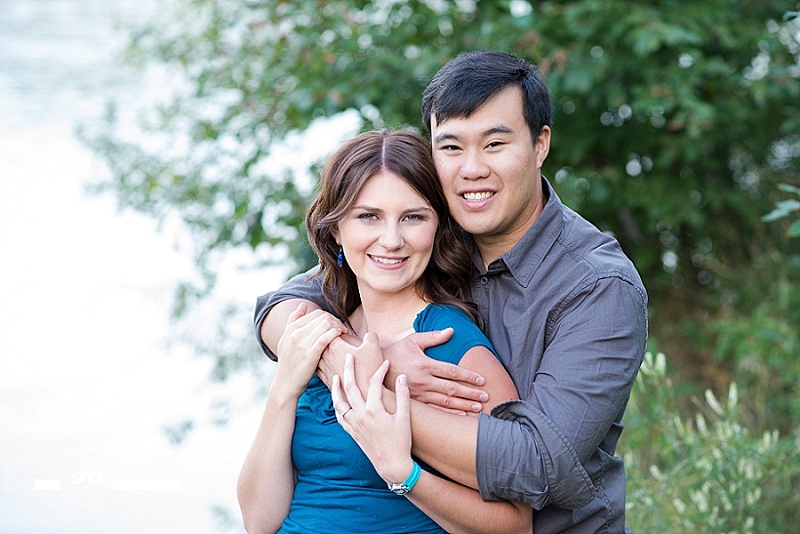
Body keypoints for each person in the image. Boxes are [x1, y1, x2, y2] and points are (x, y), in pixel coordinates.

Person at [254, 50, 648, 533]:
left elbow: (536, 464)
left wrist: (377, 391)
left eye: (495, 144)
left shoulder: (598, 287)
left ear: (540, 144)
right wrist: (350, 358)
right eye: (451, 147)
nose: (472, 169)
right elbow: (280, 305)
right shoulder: (428, 237)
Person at [237, 129, 532, 534]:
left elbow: (516, 525)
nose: (391, 240)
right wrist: (283, 390)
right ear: (336, 229)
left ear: (438, 227)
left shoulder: (452, 351)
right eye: (369, 216)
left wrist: (404, 474)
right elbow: (258, 521)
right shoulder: (323, 337)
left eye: (413, 217)